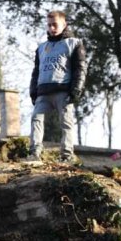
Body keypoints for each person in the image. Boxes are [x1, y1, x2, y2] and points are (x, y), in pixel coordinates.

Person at [28, 10, 87, 163]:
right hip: (43, 91)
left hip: (63, 90)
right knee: (36, 119)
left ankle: (67, 156)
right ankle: (34, 153)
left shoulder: (74, 43)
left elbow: (80, 68)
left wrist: (76, 89)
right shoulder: (42, 48)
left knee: (66, 123)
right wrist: (33, 91)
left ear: (64, 24)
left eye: (55, 25)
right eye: (49, 25)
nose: (51, 28)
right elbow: (36, 71)